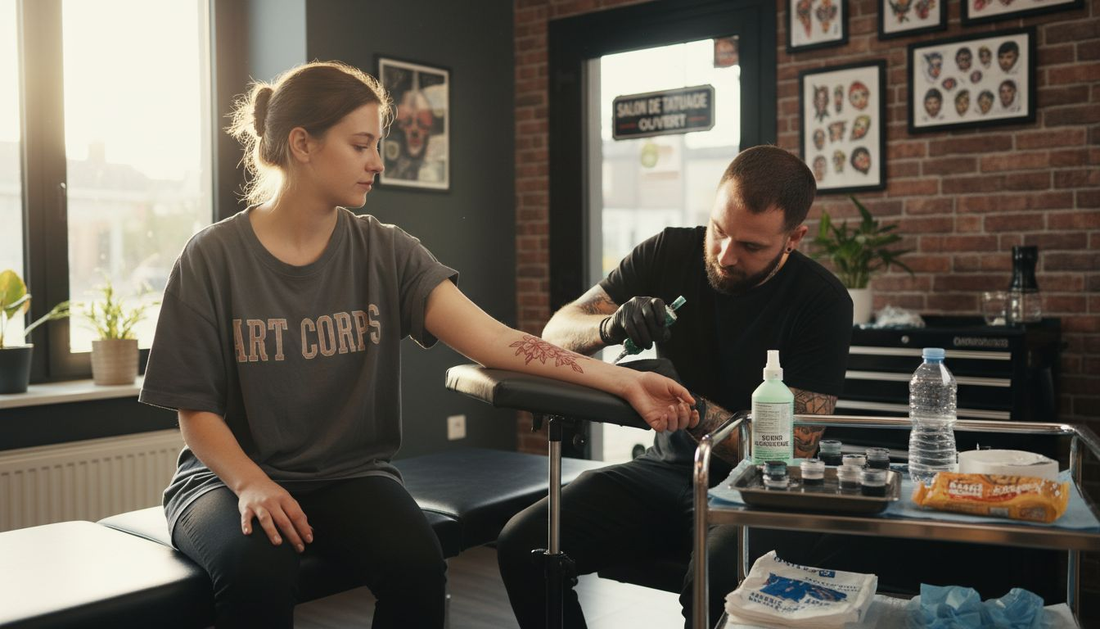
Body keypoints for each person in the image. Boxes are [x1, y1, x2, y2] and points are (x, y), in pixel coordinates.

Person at [138, 61, 697, 629]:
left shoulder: (387, 251)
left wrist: (625, 378)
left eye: (378, 146)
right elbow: (195, 411)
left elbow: (499, 342)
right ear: (302, 144)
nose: (377, 162)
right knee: (258, 571)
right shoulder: (211, 257)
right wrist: (251, 483)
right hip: (224, 477)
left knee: (418, 567)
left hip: (349, 476)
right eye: (361, 145)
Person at [497, 145, 854, 628]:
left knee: (717, 582)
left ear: (793, 238)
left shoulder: (822, 303)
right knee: (525, 544)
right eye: (719, 230)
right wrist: (610, 326)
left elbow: (794, 449)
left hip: (758, 486)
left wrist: (692, 409)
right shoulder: (668, 251)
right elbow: (556, 332)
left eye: (751, 247)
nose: (725, 256)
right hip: (664, 470)